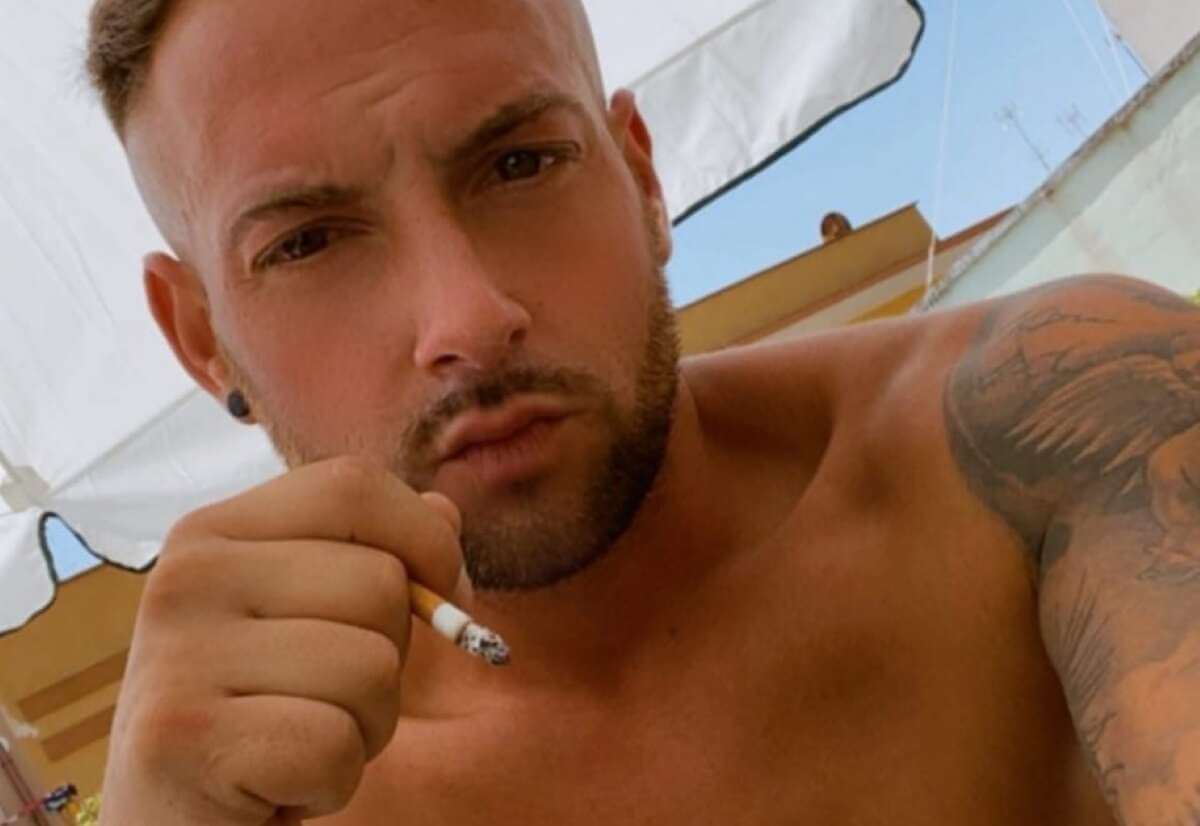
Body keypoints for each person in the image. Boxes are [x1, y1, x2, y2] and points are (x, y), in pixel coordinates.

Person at [84, 0, 1199, 823]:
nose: (467, 318)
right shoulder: (267, 794)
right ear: (202, 339)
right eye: (307, 242)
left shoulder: (1050, 426)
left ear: (643, 181)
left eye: (521, 163)